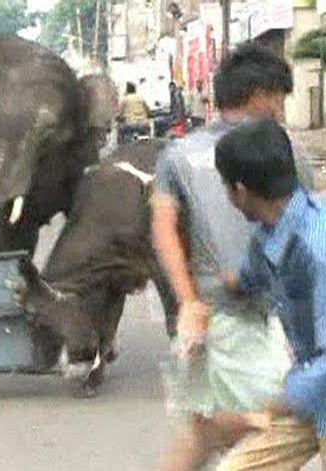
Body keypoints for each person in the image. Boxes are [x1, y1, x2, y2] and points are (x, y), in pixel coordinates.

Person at [152, 43, 315, 471]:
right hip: (252, 313)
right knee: (277, 421)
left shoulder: (178, 154)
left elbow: (163, 227)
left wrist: (187, 300)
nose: (281, 110)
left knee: (203, 430)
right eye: (279, 99)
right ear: (259, 94)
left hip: (204, 312)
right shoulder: (284, 150)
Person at [214, 118, 325, 471]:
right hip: (313, 393)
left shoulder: (316, 248)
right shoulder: (270, 232)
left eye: (224, 186)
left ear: (240, 190)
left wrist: (263, 410)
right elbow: (251, 276)